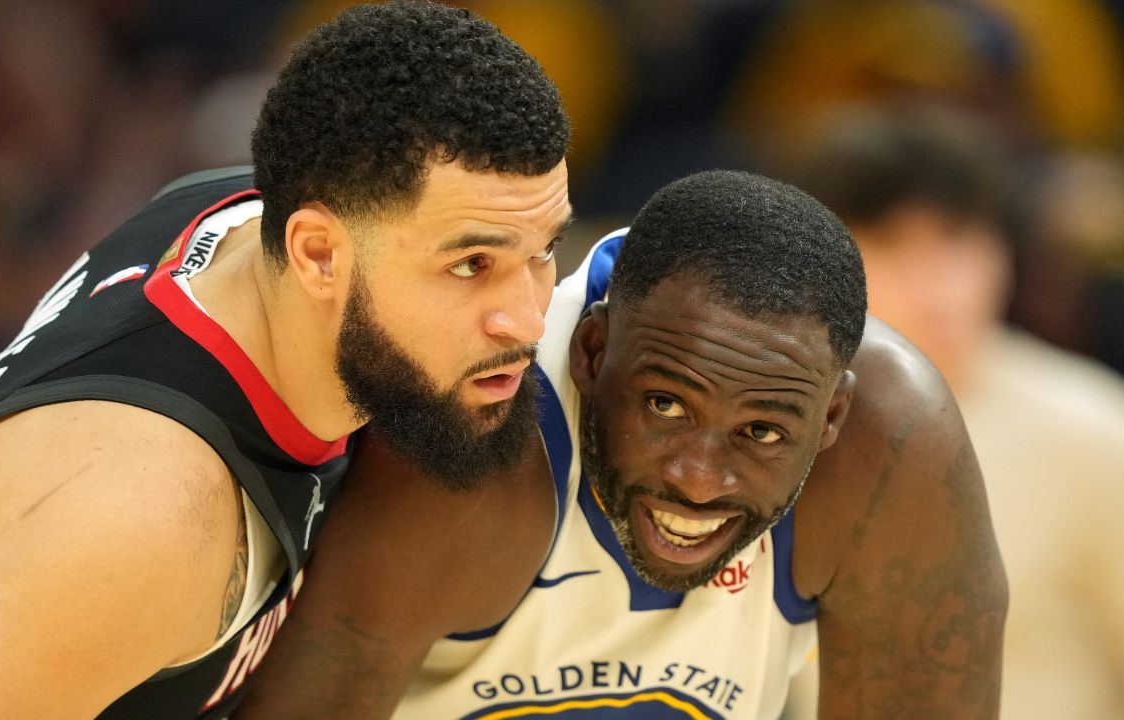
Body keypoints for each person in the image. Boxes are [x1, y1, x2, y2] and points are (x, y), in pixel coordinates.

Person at [0, 2, 572, 718]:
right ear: (318, 254)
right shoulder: (149, 522)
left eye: (540, 252)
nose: (527, 318)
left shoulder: (232, 211)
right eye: (471, 264)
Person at [237, 170, 1009, 719]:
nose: (699, 481)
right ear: (592, 353)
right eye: (667, 407)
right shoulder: (477, 449)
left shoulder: (891, 451)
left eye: (763, 433)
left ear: (832, 420)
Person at [794, 105, 1124, 719]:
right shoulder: (767, 438)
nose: (940, 283)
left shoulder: (1109, 439)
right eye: (893, 244)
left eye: (958, 240)